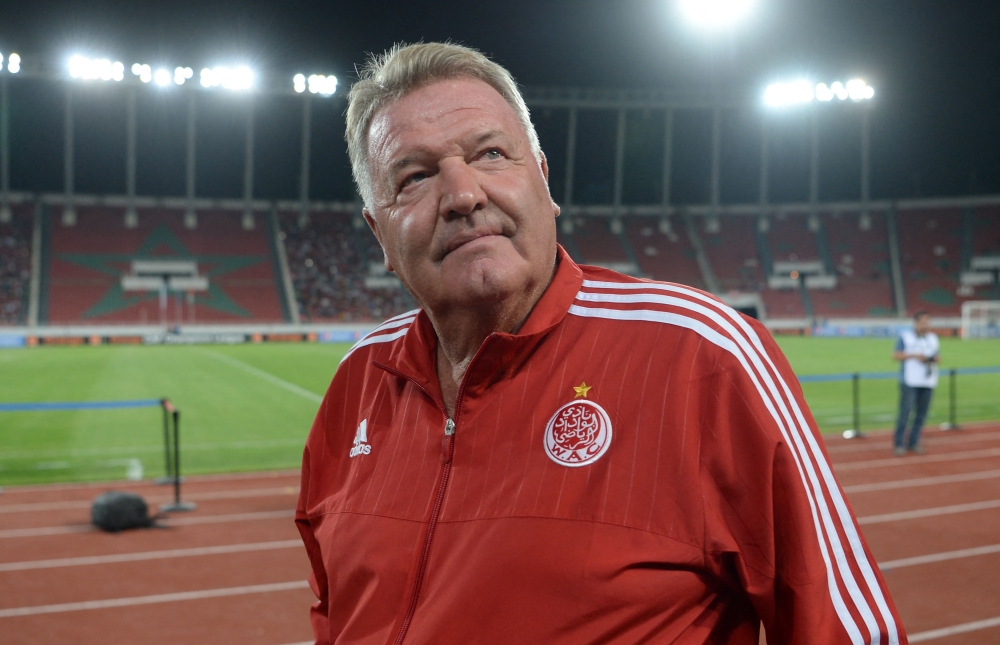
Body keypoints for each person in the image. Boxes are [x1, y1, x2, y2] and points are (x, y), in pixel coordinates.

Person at [296, 42, 906, 644]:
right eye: (415, 176)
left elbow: (844, 629)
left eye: (490, 154)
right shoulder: (358, 383)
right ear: (379, 231)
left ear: (542, 179)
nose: (463, 195)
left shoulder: (702, 356)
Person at [892, 311, 940, 456]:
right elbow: (895, 355)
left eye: (928, 322)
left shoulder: (933, 338)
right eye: (923, 322)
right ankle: (899, 443)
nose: (926, 325)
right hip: (910, 381)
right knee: (905, 413)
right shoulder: (905, 336)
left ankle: (914, 442)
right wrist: (914, 356)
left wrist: (933, 359)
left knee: (921, 414)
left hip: (928, 381)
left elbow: (938, 356)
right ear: (916, 322)